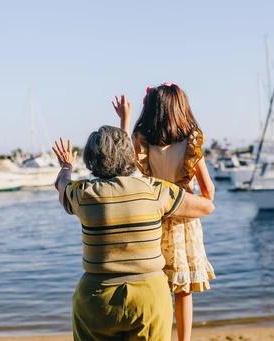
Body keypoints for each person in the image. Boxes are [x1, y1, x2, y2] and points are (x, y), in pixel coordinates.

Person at [52, 126, 215, 341]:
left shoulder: (83, 194)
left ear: (91, 160)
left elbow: (61, 184)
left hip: (96, 298)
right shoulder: (155, 190)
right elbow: (206, 207)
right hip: (149, 297)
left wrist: (66, 167)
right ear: (129, 155)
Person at [112, 84, 216, 341]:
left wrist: (124, 120)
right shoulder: (191, 142)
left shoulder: (142, 140)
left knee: (153, 285)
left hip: (152, 219)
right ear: (181, 107)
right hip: (184, 221)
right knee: (183, 291)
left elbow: (121, 163)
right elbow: (209, 192)